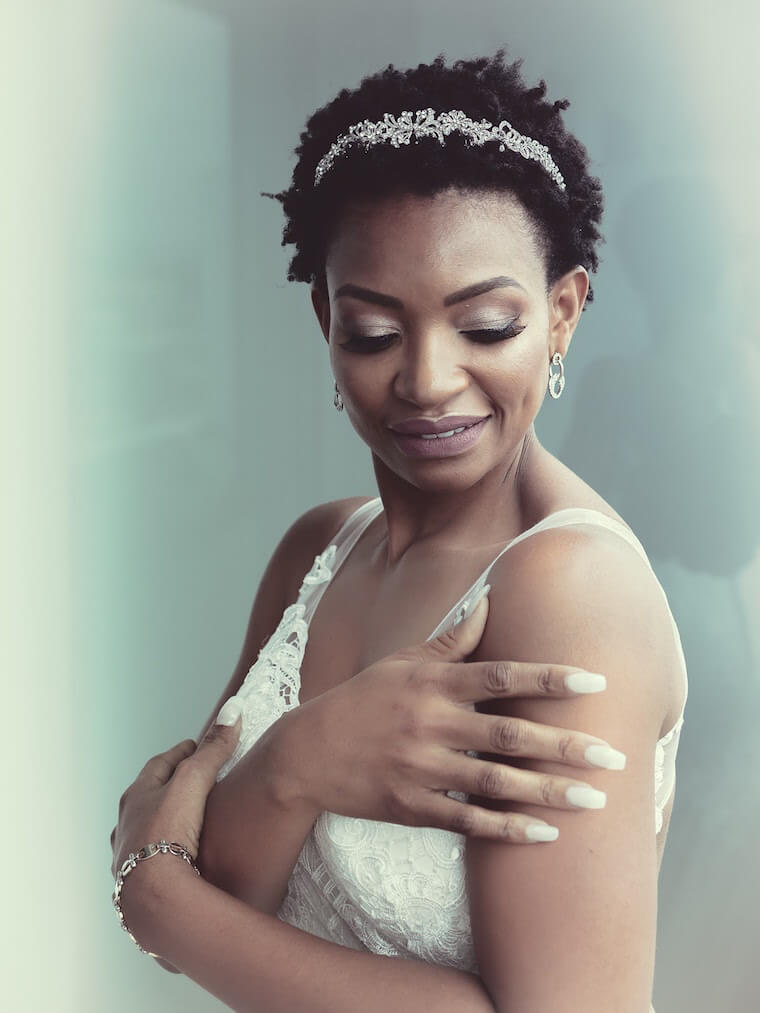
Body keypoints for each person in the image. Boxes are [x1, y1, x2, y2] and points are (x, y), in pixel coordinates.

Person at [111, 52, 688, 1012]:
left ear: (563, 314)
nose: (425, 379)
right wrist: (299, 762)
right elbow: (234, 897)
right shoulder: (319, 548)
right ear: (324, 320)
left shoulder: (566, 590)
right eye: (375, 331)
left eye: (488, 326)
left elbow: (190, 906)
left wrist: (155, 893)